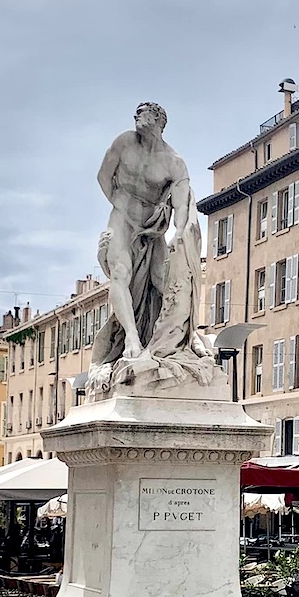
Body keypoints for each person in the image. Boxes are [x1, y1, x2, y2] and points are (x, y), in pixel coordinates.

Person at [88, 103, 215, 394]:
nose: (136, 117)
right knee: (120, 273)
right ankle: (131, 338)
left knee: (164, 282)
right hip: (122, 218)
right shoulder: (124, 143)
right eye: (135, 113)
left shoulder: (173, 162)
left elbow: (182, 205)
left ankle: (185, 335)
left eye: (143, 113)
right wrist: (122, 206)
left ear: (159, 120)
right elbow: (103, 177)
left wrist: (179, 236)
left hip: (153, 229)